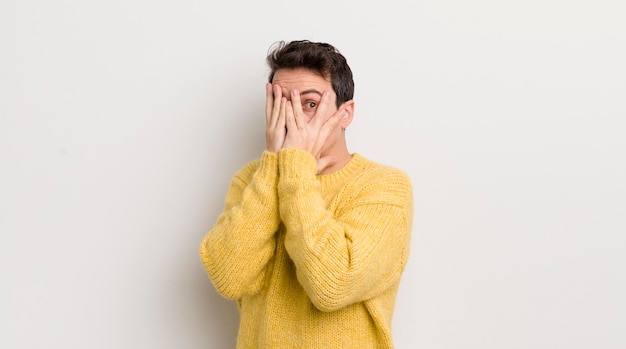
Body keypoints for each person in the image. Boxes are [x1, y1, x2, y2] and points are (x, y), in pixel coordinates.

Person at [199, 40, 413, 349]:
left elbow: (332, 284)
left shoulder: (384, 186)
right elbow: (230, 277)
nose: (292, 118)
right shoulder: (251, 180)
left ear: (345, 113)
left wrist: (295, 168)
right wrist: (275, 167)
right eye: (281, 103)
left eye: (310, 104)